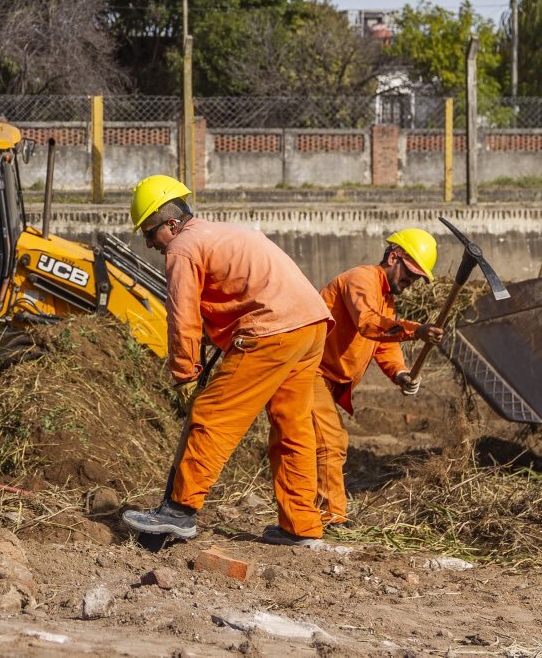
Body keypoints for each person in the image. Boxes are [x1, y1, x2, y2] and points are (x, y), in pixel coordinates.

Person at [121, 175, 333, 547]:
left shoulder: (183, 249)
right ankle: (301, 526)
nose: (148, 243)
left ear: (171, 224)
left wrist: (185, 373)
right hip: (310, 325)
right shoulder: (222, 233)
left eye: (150, 232)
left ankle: (179, 512)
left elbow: (182, 318)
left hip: (272, 330)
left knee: (213, 416)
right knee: (293, 427)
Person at [313, 228, 444, 527]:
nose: (410, 282)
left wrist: (400, 373)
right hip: (311, 373)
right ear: (393, 256)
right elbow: (369, 324)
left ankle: (307, 511)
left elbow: (383, 343)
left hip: (330, 383)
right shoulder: (362, 280)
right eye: (409, 273)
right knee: (331, 442)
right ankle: (330, 517)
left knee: (310, 444)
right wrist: (417, 330)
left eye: (416, 278)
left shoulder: (386, 298)